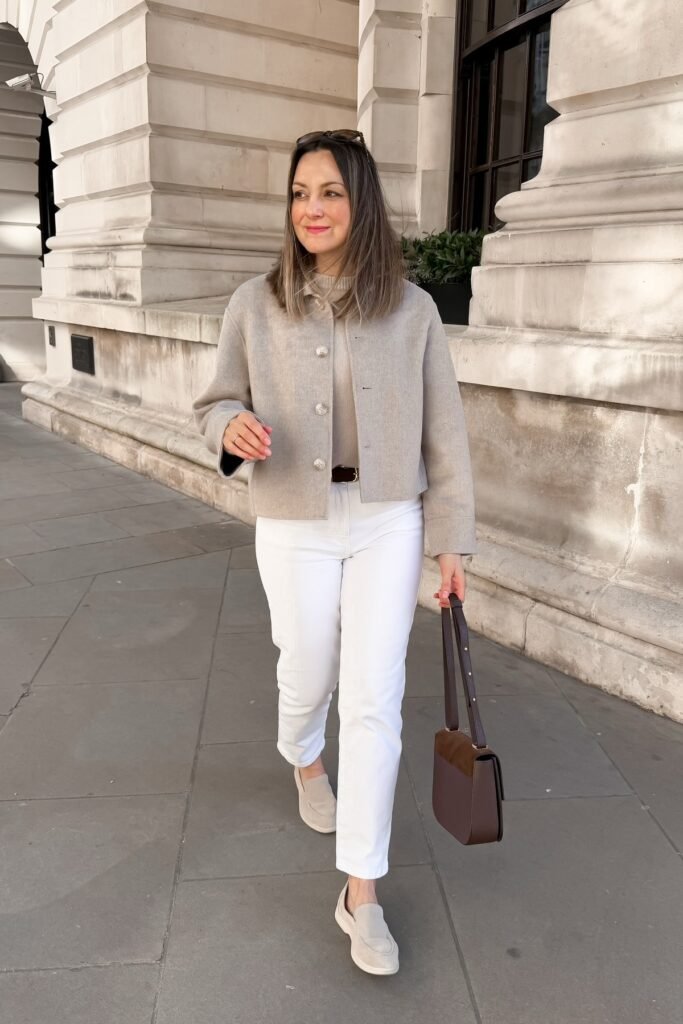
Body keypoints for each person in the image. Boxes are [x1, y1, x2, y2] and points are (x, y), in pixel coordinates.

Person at [192, 128, 477, 976]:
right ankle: (301, 757)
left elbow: (445, 432)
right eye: (299, 193)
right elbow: (213, 401)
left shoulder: (412, 309)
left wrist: (450, 539)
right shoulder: (256, 300)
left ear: (362, 203)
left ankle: (361, 893)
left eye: (330, 192)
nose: (311, 208)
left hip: (388, 515)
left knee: (375, 697)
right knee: (305, 668)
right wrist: (228, 428)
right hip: (292, 516)